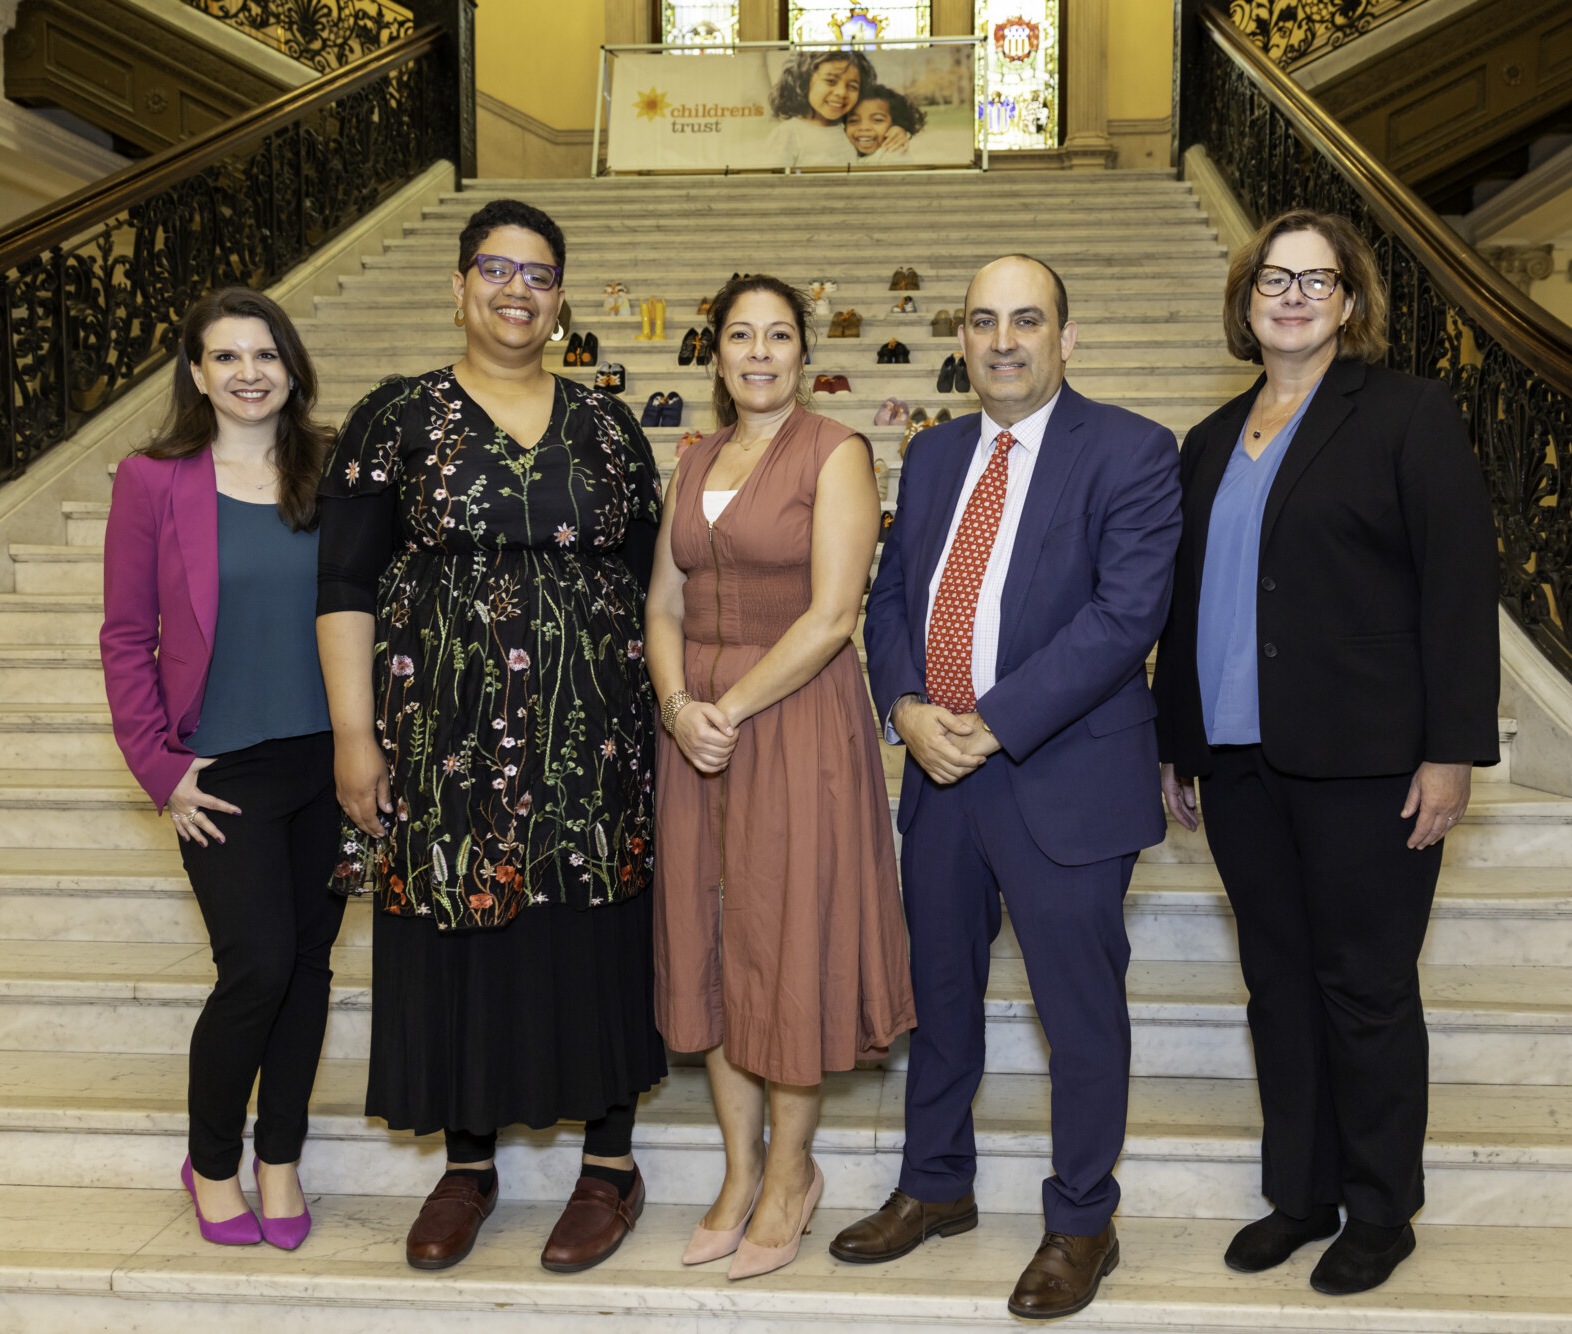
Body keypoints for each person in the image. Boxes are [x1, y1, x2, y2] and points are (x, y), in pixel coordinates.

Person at [315, 199, 666, 1275]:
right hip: (442, 732)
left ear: (560, 299)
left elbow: (656, 583)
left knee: (589, 930)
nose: (518, 288)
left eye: (540, 273)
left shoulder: (608, 426)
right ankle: (467, 1162)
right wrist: (351, 733)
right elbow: (344, 581)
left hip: (591, 731)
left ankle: (609, 1163)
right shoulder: (395, 418)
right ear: (459, 286)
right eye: (497, 268)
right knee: (455, 927)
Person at [1153, 209, 1499, 1296]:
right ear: (1244, 300)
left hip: (1365, 759)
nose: (1292, 294)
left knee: (1363, 987)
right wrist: (1178, 739)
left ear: (1350, 302)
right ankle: (1296, 1194)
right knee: (1277, 985)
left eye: (1317, 278)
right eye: (1272, 277)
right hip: (1239, 759)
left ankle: (1379, 1205)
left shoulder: (1404, 413)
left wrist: (1449, 751)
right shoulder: (1206, 439)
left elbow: (1455, 588)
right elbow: (1187, 598)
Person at [837, 255, 1182, 1320]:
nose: (1001, 340)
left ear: (1064, 337)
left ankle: (1082, 1218)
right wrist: (902, 706)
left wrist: (991, 722)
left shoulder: (1129, 449)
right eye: (982, 321)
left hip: (1060, 773)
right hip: (937, 771)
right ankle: (936, 1185)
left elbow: (1123, 617)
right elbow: (891, 592)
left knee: (1076, 1013)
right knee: (939, 998)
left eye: (1025, 320)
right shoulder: (935, 452)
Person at [648, 275, 916, 1281]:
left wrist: (729, 707)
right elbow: (663, 602)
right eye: (738, 335)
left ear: (802, 351)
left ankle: (791, 1172)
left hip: (792, 724)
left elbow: (831, 614)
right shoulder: (694, 457)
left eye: (777, 335)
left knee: (783, 938)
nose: (757, 352)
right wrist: (678, 707)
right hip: (696, 738)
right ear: (712, 352)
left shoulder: (835, 452)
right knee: (713, 936)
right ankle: (736, 1167)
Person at [102, 287, 344, 1251]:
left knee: (312, 970)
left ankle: (278, 1160)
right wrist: (159, 769)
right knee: (258, 967)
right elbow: (126, 636)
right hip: (224, 771)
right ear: (197, 374)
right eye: (227, 357)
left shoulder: (330, 471)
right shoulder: (153, 481)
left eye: (265, 354)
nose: (249, 372)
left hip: (330, 761)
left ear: (291, 366)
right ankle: (211, 1162)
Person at [766, 50, 908, 167]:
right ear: (804, 81)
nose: (841, 92)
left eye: (852, 86)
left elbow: (872, 152)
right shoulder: (788, 133)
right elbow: (772, 181)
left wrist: (899, 132)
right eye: (831, 81)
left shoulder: (848, 126)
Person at [844, 85, 925, 158]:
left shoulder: (892, 154)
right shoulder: (844, 149)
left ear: (895, 124)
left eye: (877, 120)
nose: (864, 127)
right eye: (853, 120)